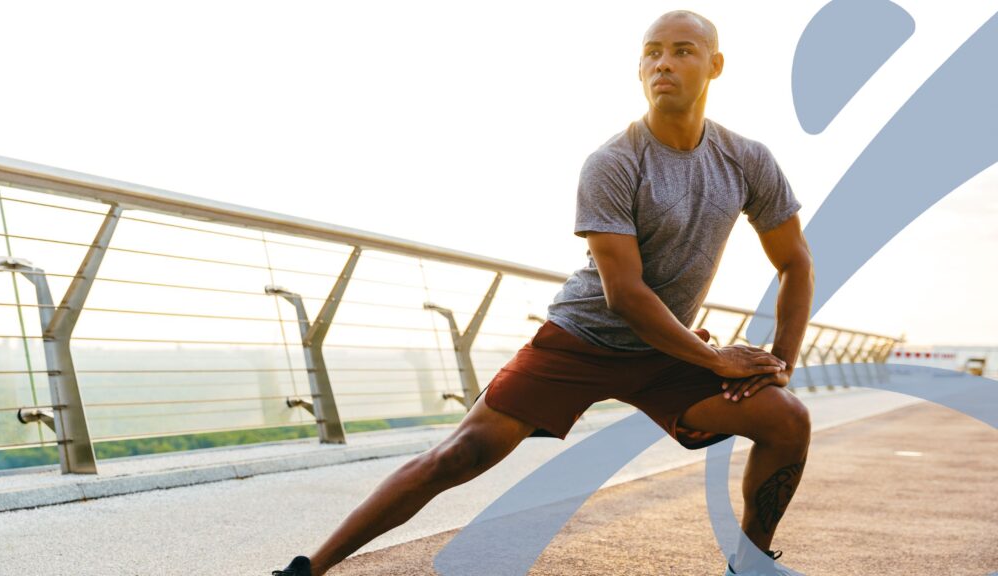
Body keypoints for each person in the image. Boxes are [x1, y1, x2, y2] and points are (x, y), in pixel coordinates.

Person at [273, 9, 814, 576]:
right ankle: (310, 567)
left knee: (786, 420)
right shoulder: (614, 162)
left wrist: (779, 364)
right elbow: (624, 293)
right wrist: (716, 358)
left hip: (666, 352)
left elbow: (795, 261)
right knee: (458, 456)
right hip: (581, 341)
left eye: (682, 50)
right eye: (653, 52)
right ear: (638, 68)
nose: (664, 63)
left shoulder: (746, 159)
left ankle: (749, 564)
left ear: (715, 65)